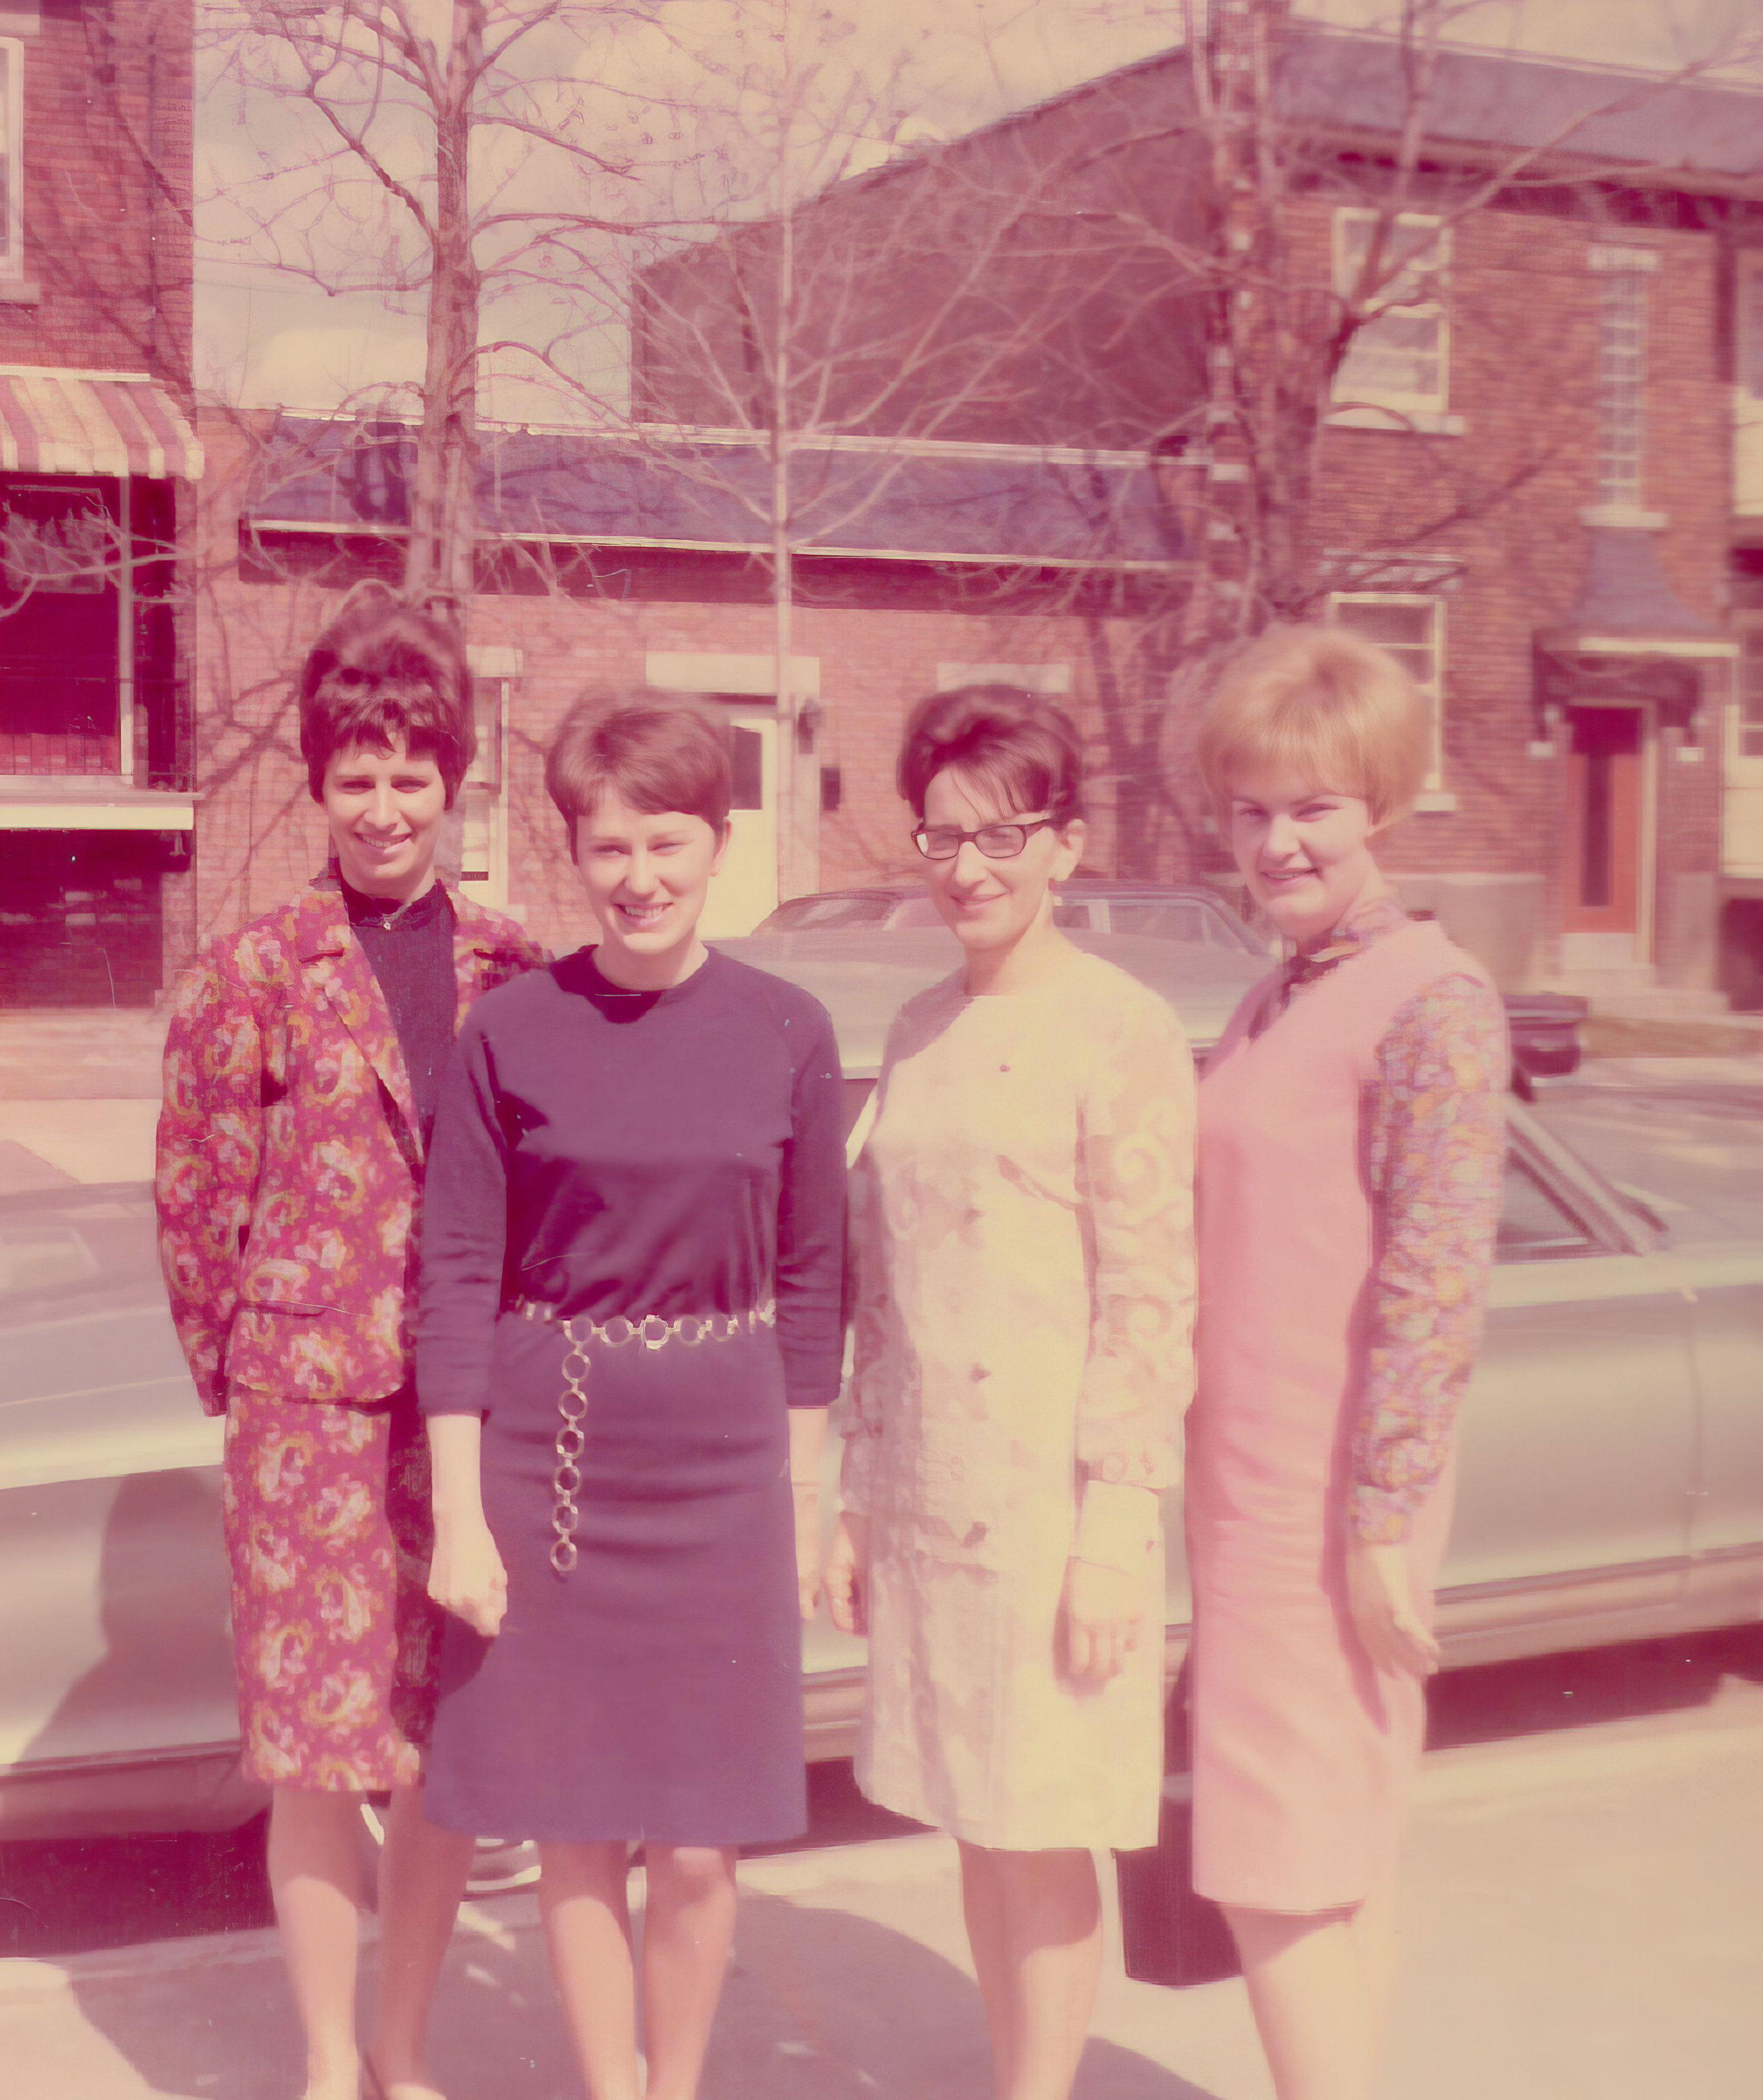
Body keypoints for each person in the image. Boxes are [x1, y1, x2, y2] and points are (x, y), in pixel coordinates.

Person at [412, 690, 848, 2100]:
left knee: (705, 1836)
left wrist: (807, 1490)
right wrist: (463, 1514)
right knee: (575, 1822)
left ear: (717, 842)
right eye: (609, 850)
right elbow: (458, 1274)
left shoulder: (787, 1027)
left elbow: (813, 1283)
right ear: (571, 857)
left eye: (668, 842)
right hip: (554, 1455)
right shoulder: (509, 1031)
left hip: (721, 1463)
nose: (640, 877)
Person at [155, 592, 545, 2100]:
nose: (384, 808)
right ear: (317, 787)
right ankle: (329, 2059)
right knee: (319, 1753)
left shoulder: (514, 967)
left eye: (410, 776)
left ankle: (404, 2043)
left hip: (465, 1421)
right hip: (306, 1419)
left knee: (447, 1743)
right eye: (354, 778)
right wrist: (248, 1379)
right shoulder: (251, 974)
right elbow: (194, 1202)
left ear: (452, 780)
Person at [823, 685, 1197, 2100]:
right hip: (930, 1492)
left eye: (1000, 836)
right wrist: (855, 1497)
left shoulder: (1123, 1029)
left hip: (1053, 1509)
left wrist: (1115, 1527)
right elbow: (880, 1287)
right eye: (940, 837)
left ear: (1064, 846)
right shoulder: (915, 1027)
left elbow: (1151, 1293)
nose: (966, 868)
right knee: (974, 1821)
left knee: (1040, 1827)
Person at [1188, 625, 1509, 2100]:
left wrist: (1381, 1524)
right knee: (1333, 1860)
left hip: (1324, 1515)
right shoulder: (1282, 992)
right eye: (1253, 808)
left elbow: (1434, 1286)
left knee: (1271, 1866)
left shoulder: (1429, 999)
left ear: (1378, 802)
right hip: (1256, 1494)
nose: (1277, 840)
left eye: (1310, 806)